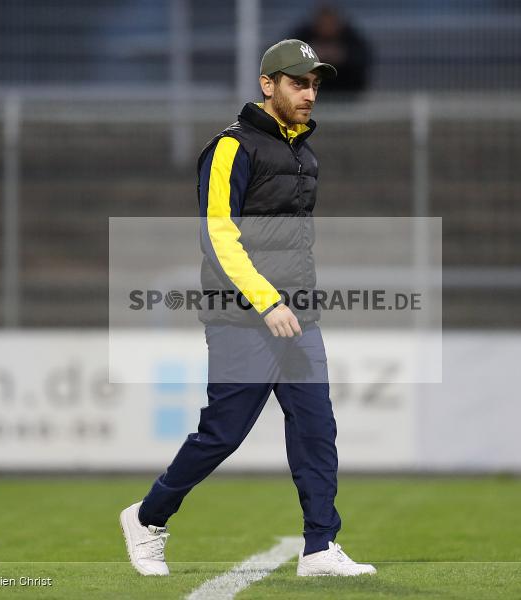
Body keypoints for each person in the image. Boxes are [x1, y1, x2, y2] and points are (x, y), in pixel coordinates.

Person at [119, 39, 376, 578]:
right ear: (268, 85)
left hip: (297, 316)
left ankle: (320, 548)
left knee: (315, 427)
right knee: (223, 432)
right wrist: (267, 301)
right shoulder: (231, 148)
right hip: (241, 316)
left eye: (314, 85)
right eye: (297, 83)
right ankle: (147, 517)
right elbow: (220, 235)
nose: (309, 94)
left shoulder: (305, 154)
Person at [290, 4, 371, 97]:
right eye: (323, 23)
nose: (326, 27)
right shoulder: (303, 36)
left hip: (347, 94)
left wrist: (342, 56)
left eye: (330, 23)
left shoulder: (351, 38)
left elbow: (363, 58)